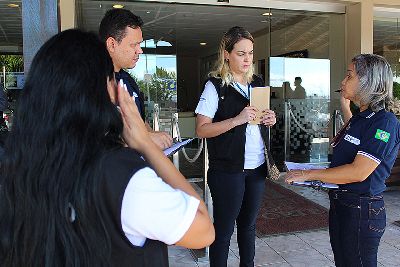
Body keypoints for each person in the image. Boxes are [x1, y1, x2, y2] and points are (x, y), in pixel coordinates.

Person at [0, 29, 214, 266]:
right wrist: (144, 143)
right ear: (107, 90)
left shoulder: (19, 166)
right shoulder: (121, 176)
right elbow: (203, 230)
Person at [286, 54, 400, 267]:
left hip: (361, 210)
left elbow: (359, 171)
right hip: (343, 205)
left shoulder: (385, 122)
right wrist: (346, 107)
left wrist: (308, 174)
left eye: (349, 76)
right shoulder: (361, 117)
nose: (343, 81)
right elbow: (355, 138)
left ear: (369, 81)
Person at [195, 26, 277, 267]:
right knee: (224, 229)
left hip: (256, 167)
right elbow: (202, 129)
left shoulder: (257, 82)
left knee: (249, 226)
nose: (247, 59)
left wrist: (269, 119)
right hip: (227, 169)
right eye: (241, 53)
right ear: (227, 54)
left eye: (250, 53)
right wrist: (236, 120)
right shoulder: (215, 86)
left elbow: (258, 123)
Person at [99, 9, 173, 150]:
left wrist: (155, 134)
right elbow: (95, 137)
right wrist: (146, 139)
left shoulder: (128, 81)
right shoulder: (89, 82)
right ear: (112, 44)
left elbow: (139, 120)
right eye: (134, 45)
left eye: (140, 44)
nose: (140, 50)